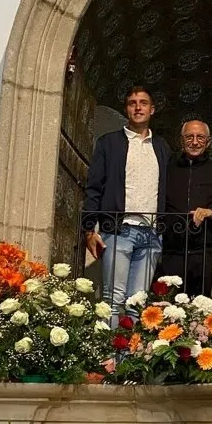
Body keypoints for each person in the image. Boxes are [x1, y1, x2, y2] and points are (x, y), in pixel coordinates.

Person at [82, 86, 170, 326]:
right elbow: (94, 187)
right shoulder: (109, 143)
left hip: (151, 234)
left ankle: (128, 362)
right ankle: (108, 361)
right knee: (113, 300)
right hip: (119, 230)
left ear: (152, 110)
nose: (138, 107)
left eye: (143, 102)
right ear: (127, 109)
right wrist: (89, 229)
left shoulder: (161, 147)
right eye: (132, 103)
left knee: (137, 304)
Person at [157, 120, 212, 297]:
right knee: (168, 310)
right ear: (181, 140)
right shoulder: (168, 170)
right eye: (189, 137)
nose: (194, 142)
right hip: (172, 253)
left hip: (205, 253)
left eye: (200, 137)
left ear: (208, 142)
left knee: (203, 310)